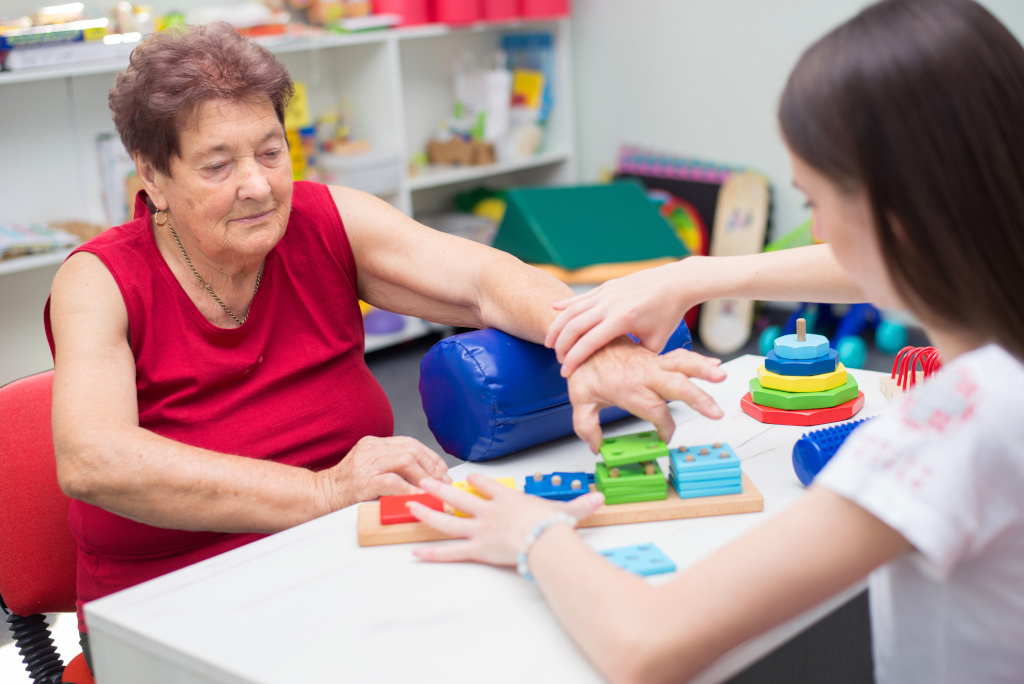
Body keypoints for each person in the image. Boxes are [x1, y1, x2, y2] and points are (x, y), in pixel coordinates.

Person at [45, 22, 726, 665]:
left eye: (270, 152)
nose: (257, 186)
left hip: (344, 560)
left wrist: (594, 340)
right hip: (171, 608)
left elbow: (484, 280)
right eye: (217, 165)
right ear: (153, 176)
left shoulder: (322, 220)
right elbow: (95, 459)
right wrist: (323, 492)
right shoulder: (99, 280)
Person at [409, 1, 1024, 682]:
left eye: (815, 200)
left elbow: (647, 644)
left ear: (898, 216)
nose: (815, 233)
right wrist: (694, 274)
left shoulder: (952, 429)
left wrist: (532, 533)